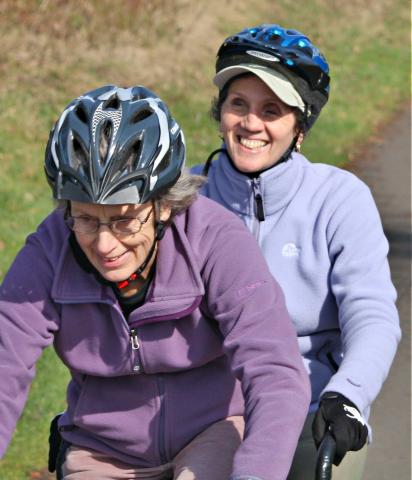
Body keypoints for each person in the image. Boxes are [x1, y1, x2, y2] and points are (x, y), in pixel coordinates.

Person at [0, 84, 310, 480]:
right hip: (102, 449)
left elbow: (275, 372)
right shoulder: (49, 250)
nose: (105, 243)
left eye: (125, 220)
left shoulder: (216, 239)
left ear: (164, 204)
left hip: (211, 432)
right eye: (87, 219)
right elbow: (5, 366)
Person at [191, 24, 401, 479]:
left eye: (272, 110)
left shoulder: (339, 198)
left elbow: (372, 314)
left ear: (300, 126)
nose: (251, 124)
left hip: (311, 414)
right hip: (200, 419)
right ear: (220, 110)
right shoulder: (183, 199)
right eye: (238, 105)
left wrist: (347, 395)